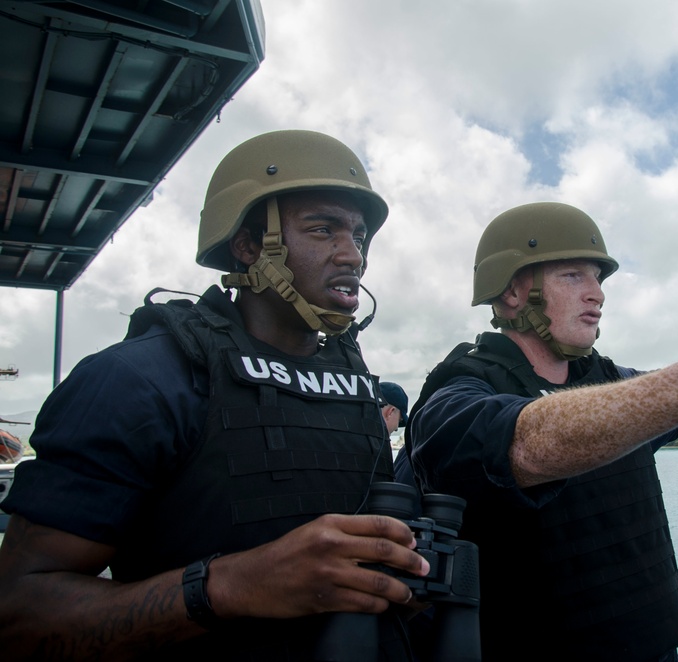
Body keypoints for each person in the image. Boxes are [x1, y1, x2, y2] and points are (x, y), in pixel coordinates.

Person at [0, 130, 430, 661]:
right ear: (248, 245)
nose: (353, 256)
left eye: (359, 237)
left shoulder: (353, 377)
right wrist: (229, 585)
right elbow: (18, 613)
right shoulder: (141, 379)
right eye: (323, 230)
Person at [396, 201, 678, 661]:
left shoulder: (612, 381)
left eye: (598, 278)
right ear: (514, 292)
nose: (598, 294)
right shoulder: (454, 394)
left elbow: (661, 396)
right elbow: (527, 443)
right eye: (574, 276)